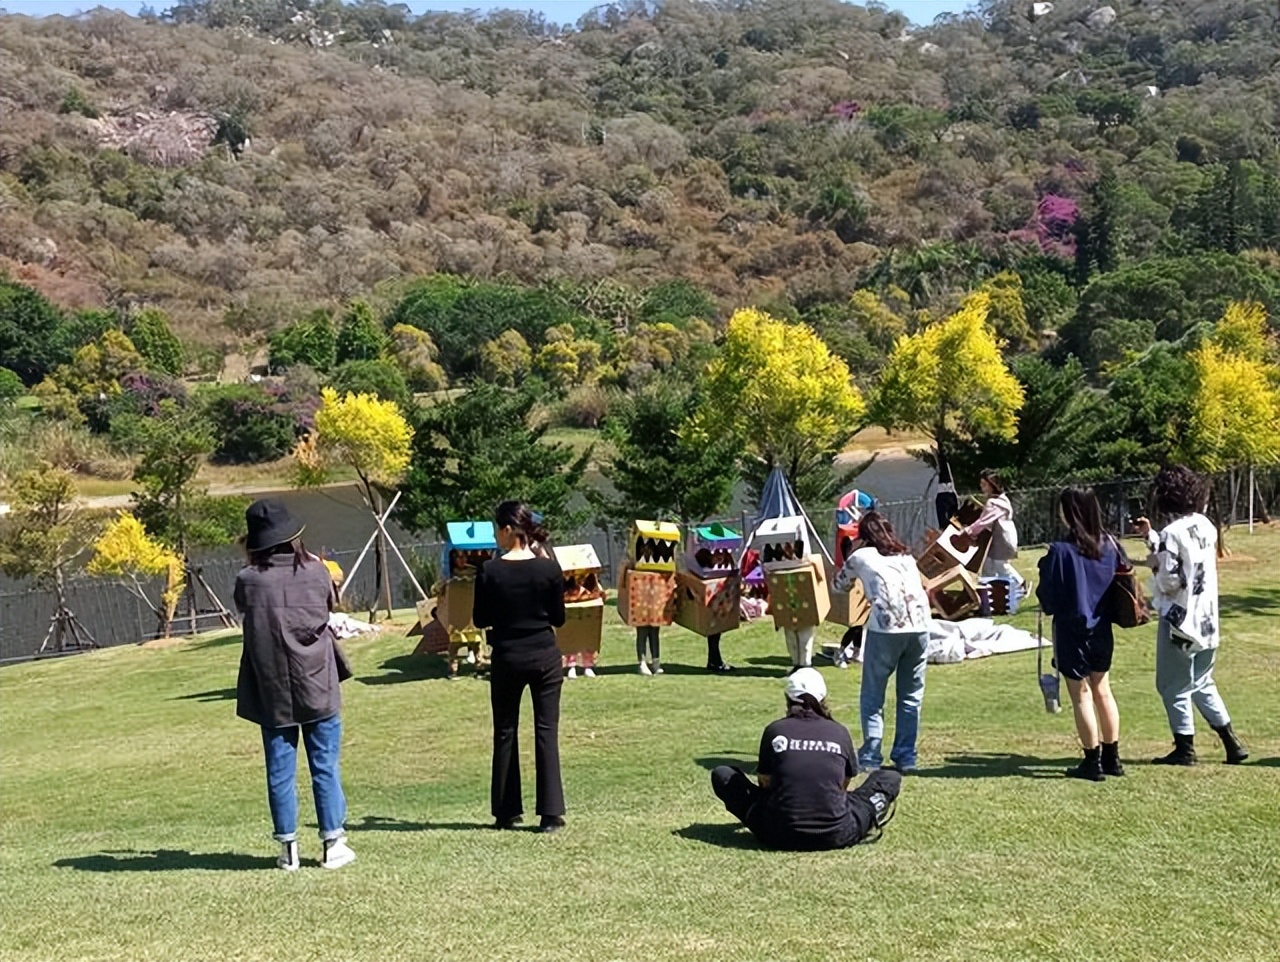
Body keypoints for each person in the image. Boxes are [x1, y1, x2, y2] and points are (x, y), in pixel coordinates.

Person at [234, 499, 355, 871]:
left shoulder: (247, 581)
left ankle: (288, 848)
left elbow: (247, 612)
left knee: (279, 769)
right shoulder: (317, 573)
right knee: (325, 764)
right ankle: (332, 842)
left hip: (271, 686)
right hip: (317, 679)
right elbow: (328, 606)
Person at [709, 668, 902, 850]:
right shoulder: (839, 732)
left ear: (788, 699)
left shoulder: (775, 730)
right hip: (837, 832)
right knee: (889, 778)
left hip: (776, 833)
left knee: (723, 775)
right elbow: (842, 785)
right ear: (824, 698)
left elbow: (765, 783)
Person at [1135, 466, 1248, 767]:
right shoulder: (1205, 524)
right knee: (1202, 681)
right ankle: (1230, 741)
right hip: (1207, 619)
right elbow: (1186, 556)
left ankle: (1185, 747)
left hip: (1180, 621)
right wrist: (1151, 538)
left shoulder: (1172, 533)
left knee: (1172, 685)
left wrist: (1154, 566)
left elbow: (1170, 581)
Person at [472, 501, 568, 832]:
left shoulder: (488, 571)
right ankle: (551, 814)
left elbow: (480, 619)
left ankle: (506, 810)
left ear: (508, 530)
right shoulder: (549, 569)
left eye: (496, 528)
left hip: (507, 657)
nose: (495, 535)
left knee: (505, 731)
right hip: (544, 655)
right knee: (546, 731)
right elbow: (559, 618)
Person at [833, 511, 932, 773]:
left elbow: (839, 585)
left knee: (873, 694)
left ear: (863, 536)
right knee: (911, 695)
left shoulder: (860, 556)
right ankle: (905, 755)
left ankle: (871, 756)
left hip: (886, 628)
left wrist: (851, 552)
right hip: (920, 626)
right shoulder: (906, 557)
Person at [1036, 488, 1123, 781]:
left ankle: (1092, 761)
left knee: (1081, 695)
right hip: (1102, 628)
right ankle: (1113, 757)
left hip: (1072, 629)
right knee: (1103, 690)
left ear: (1070, 512)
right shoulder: (1110, 544)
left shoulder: (1060, 551)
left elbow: (1048, 597)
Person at [963, 469, 1025, 594]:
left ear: (992, 485)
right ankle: (987, 593)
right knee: (988, 565)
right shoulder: (1002, 500)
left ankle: (1020, 585)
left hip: (1002, 540)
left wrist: (968, 531)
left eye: (984, 484)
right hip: (1001, 539)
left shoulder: (995, 503)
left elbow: (983, 522)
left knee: (999, 565)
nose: (981, 486)